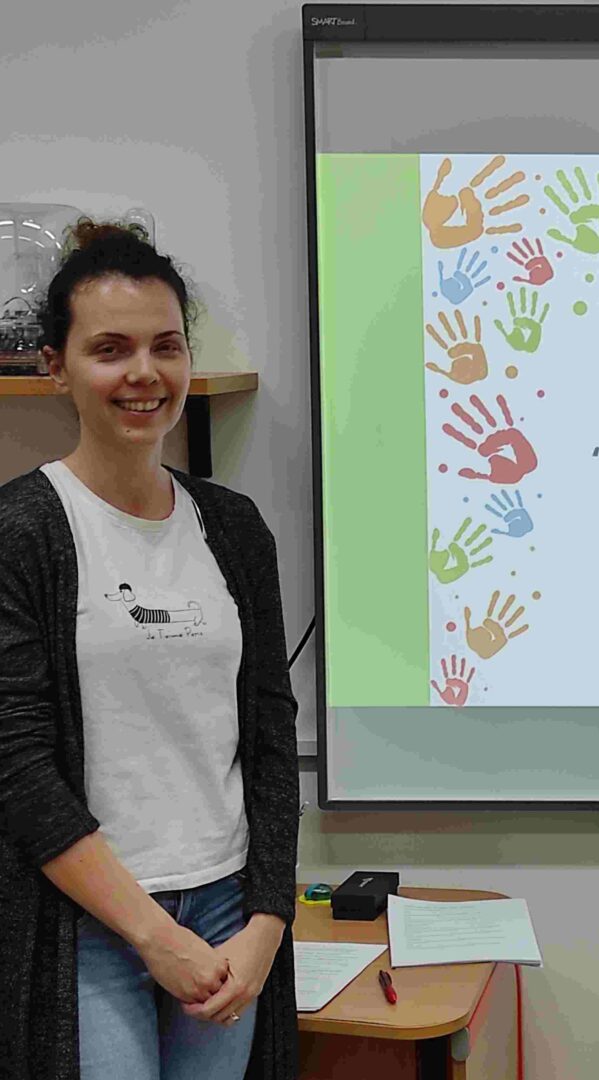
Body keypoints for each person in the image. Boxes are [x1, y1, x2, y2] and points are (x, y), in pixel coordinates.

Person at [0, 221, 298, 1080]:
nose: (144, 373)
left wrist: (268, 921)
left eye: (166, 346)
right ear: (56, 367)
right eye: (110, 349)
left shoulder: (234, 528)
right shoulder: (22, 531)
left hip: (229, 912)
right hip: (90, 921)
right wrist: (152, 934)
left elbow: (270, 737)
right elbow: (18, 766)